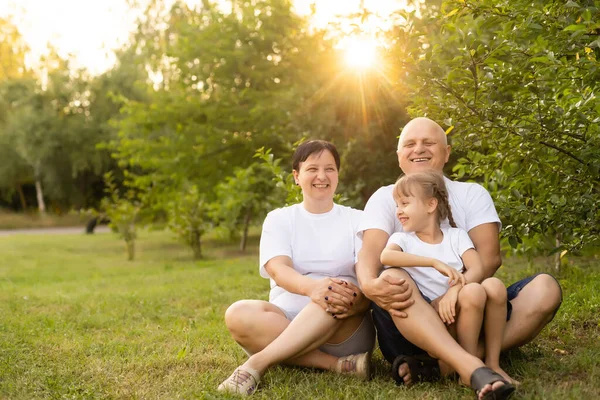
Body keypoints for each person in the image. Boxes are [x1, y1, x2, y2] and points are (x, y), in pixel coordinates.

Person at [356, 117, 562, 399]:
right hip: (410, 317)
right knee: (393, 275)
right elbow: (371, 257)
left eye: (429, 143)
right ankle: (470, 364)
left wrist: (452, 293)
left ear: (447, 152)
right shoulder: (385, 197)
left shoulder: (471, 194)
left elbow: (488, 260)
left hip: (468, 309)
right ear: (399, 156)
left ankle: (440, 367)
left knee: (545, 289)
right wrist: (369, 286)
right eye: (410, 144)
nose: (419, 149)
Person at [218, 140, 375, 396]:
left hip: (344, 326)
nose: (321, 176)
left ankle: (257, 363)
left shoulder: (358, 220)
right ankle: (336, 366)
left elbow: (367, 275)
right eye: (312, 169)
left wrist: (343, 296)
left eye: (330, 169)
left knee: (331, 293)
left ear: (337, 174)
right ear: (296, 176)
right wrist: (314, 288)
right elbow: (278, 270)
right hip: (283, 322)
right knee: (237, 313)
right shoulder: (279, 219)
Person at [380, 171, 516, 388]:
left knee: (491, 285)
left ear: (430, 205)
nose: (399, 211)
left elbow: (478, 267)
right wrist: (433, 262)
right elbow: (386, 256)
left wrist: (453, 292)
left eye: (404, 203)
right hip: (432, 324)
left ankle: (491, 364)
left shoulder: (456, 235)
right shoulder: (402, 239)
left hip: (462, 312)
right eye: (397, 205)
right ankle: (470, 369)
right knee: (473, 290)